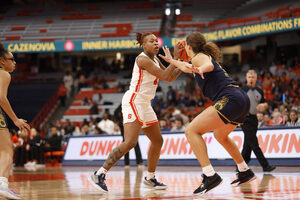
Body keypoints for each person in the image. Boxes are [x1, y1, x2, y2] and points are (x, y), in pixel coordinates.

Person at [159, 32, 256, 194]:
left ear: (189, 47)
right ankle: (244, 170)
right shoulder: (199, 58)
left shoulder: (199, 57)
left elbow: (207, 66)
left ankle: (210, 175)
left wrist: (200, 68)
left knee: (191, 131)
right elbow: (185, 67)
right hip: (241, 99)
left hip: (229, 98)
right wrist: (172, 61)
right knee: (220, 135)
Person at [88, 32, 182, 192]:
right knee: (130, 141)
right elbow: (166, 75)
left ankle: (150, 178)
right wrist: (175, 59)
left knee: (158, 140)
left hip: (145, 103)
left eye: (156, 41)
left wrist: (180, 61)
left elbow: (171, 78)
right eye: (151, 41)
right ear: (143, 45)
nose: (155, 43)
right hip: (134, 100)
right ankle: (99, 174)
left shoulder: (156, 59)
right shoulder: (142, 59)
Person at [0, 42, 30, 199]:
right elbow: (1, 98)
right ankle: (2, 184)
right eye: (12, 59)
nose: (15, 62)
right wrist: (15, 120)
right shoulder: (4, 73)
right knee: (7, 150)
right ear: (2, 61)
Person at [241, 70, 276, 172]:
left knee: (248, 144)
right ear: (246, 78)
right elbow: (237, 104)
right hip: (244, 119)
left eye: (253, 77)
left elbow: (265, 104)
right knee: (254, 144)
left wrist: (263, 105)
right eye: (249, 77)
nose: (251, 79)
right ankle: (265, 165)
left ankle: (241, 166)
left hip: (254, 118)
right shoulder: (242, 90)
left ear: (256, 78)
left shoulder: (259, 91)